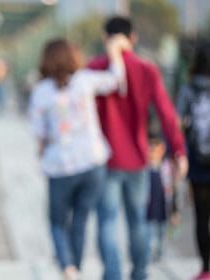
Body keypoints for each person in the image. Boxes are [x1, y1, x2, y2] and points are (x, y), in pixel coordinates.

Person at [88, 16, 188, 280]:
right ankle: (140, 273)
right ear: (132, 38)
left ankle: (112, 274)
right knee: (138, 221)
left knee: (107, 220)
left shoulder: (94, 68)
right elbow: (167, 113)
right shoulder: (147, 69)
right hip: (138, 158)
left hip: (104, 160)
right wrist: (178, 150)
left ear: (104, 38)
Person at [29, 36, 129, 280]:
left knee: (56, 221)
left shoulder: (41, 92)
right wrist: (115, 52)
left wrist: (42, 154)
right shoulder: (85, 81)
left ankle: (68, 267)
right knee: (81, 219)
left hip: (60, 165)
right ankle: (78, 266)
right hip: (92, 162)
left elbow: (39, 134)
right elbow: (116, 80)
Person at [177, 41, 210, 280]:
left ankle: (206, 269)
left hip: (199, 163)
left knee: (201, 216)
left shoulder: (188, 89)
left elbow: (177, 122)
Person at [146, 132, 178, 262]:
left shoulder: (166, 168)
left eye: (157, 147)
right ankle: (149, 253)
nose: (154, 151)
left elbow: (173, 189)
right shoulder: (145, 169)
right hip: (148, 210)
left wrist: (175, 210)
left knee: (162, 233)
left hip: (164, 208)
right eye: (151, 147)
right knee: (149, 234)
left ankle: (159, 253)